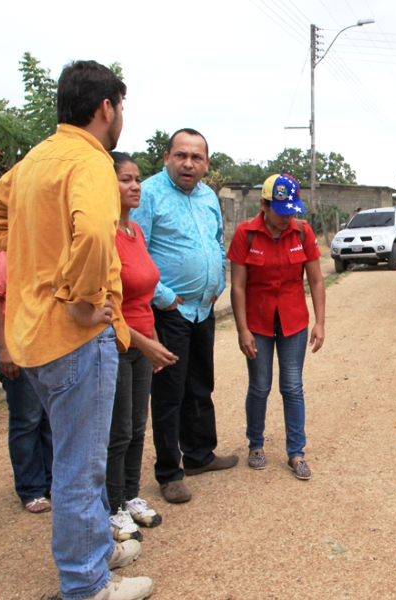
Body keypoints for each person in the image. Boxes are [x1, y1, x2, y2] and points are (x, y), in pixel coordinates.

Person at [0, 61, 153, 600]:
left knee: (72, 455)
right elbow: (90, 237)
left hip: (31, 333)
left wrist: (30, 251)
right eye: (121, 107)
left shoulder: (36, 158)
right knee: (81, 466)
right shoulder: (91, 162)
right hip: (74, 338)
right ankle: (87, 584)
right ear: (106, 107)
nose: (121, 116)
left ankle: (96, 549)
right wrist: (83, 301)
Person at [131, 128, 237, 505]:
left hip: (203, 310)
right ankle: (169, 472)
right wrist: (164, 298)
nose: (188, 163)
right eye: (181, 155)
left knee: (200, 384)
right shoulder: (148, 195)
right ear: (166, 157)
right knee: (168, 394)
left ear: (207, 163)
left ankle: (199, 455)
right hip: (169, 311)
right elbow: (134, 249)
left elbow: (216, 241)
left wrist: (219, 277)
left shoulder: (208, 196)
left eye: (196, 157)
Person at [228, 174, 326, 480]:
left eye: (292, 211)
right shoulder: (246, 234)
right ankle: (255, 446)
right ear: (263, 205)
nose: (288, 218)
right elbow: (238, 287)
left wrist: (320, 322)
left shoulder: (302, 232)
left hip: (293, 321)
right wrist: (242, 329)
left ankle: (296, 453)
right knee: (260, 386)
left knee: (292, 387)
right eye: (281, 212)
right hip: (257, 322)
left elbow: (317, 280)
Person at [107, 152, 178, 542]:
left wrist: (150, 342)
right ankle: (112, 507)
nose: (135, 186)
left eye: (136, 179)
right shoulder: (102, 236)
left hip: (141, 345)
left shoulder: (135, 232)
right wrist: (145, 343)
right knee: (117, 432)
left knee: (136, 427)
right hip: (115, 345)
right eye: (124, 180)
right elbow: (104, 305)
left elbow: (142, 294)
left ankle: (131, 496)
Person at [0, 249, 53, 514]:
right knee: (26, 416)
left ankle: (52, 480)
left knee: (48, 415)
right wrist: (4, 348)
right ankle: (31, 487)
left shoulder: (30, 239)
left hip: (40, 336)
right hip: (13, 339)